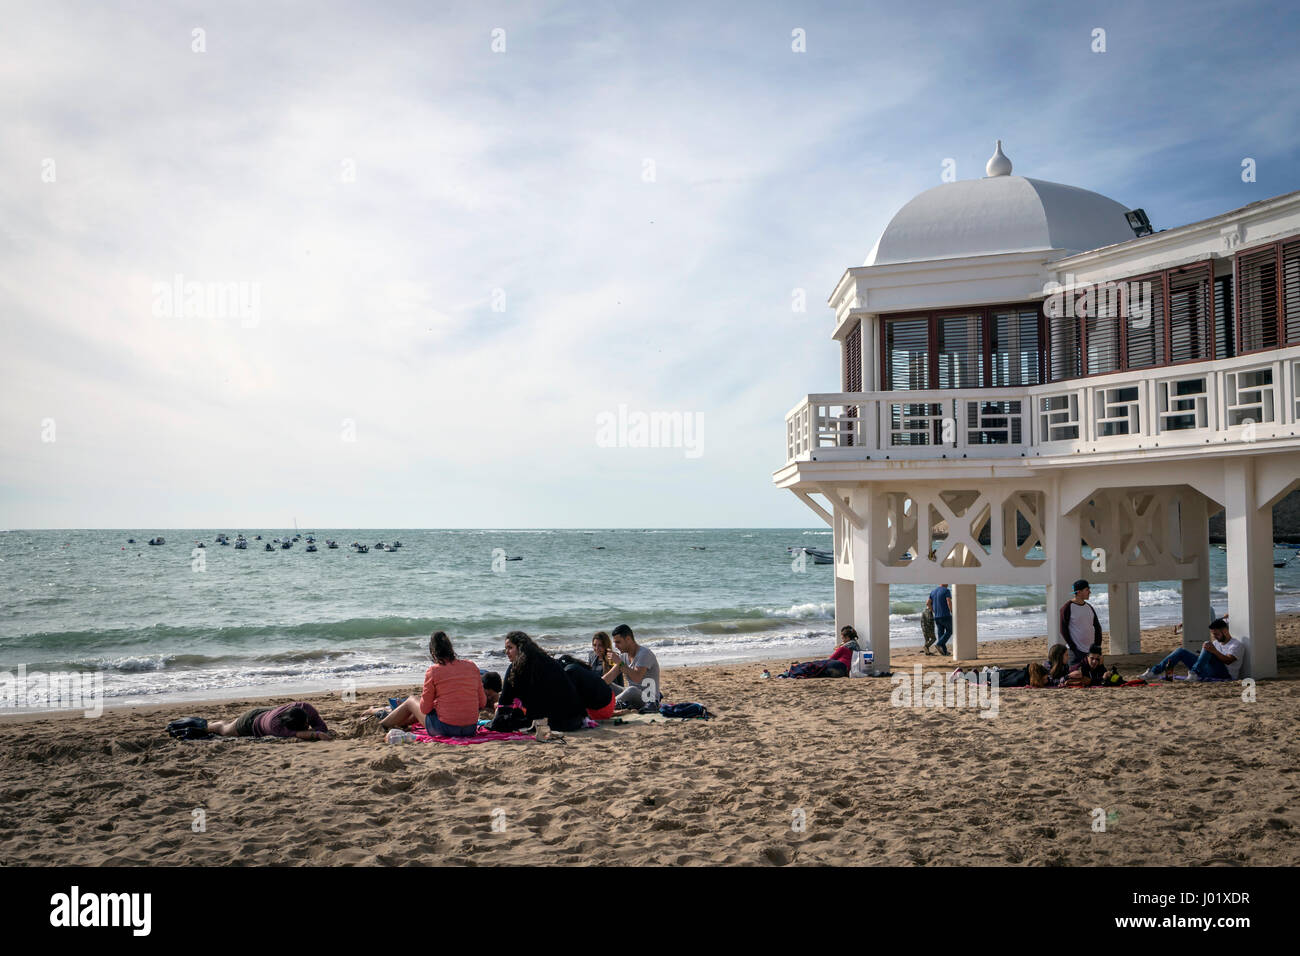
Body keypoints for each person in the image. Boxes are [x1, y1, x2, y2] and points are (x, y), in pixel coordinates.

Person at [381, 631, 485, 738]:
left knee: (411, 701)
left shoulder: (434, 671)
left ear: (433, 652)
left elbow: (425, 709)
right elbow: (482, 703)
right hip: (470, 729)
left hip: (445, 729)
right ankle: (397, 723)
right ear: (451, 648)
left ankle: (383, 725)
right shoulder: (472, 666)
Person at [501, 630, 587, 732]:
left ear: (520, 648)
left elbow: (505, 701)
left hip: (554, 722)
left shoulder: (517, 667)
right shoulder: (547, 660)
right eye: (506, 648)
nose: (506, 652)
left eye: (510, 648)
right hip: (575, 719)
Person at [1138, 619, 1245, 682]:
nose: (1215, 637)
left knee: (1207, 644)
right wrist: (1204, 655)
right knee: (1181, 651)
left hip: (1225, 674)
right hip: (1209, 670)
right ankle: (1154, 672)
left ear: (1225, 631)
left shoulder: (1236, 644)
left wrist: (1213, 651)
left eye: (1217, 634)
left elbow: (1228, 661)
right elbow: (1210, 658)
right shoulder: (1216, 643)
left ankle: (1194, 672)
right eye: (1213, 634)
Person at [602, 623, 661, 710]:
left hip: (649, 700)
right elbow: (609, 677)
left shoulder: (644, 654)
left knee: (631, 690)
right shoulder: (623, 656)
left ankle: (606, 708)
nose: (615, 646)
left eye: (618, 642)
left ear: (628, 639)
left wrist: (619, 662)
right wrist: (593, 684)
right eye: (615, 643)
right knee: (607, 685)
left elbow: (637, 677)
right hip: (632, 696)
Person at [204, 702, 332, 740]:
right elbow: (300, 734)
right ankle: (207, 725)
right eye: (304, 725)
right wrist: (317, 733)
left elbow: (321, 726)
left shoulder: (306, 708)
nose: (307, 725)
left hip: (271, 711)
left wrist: (320, 730)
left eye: (307, 722)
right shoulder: (277, 728)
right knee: (224, 730)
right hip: (251, 722)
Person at [1059, 579, 1102, 666]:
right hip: (1076, 652)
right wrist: (1072, 646)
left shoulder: (1089, 607)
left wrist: (1097, 646)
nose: (1090, 592)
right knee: (1075, 676)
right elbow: (1063, 629)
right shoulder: (1067, 607)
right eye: (1087, 590)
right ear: (1079, 592)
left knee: (1091, 677)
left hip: (1091, 652)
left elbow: (1097, 627)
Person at [928, 583, 953, 655]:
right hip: (945, 615)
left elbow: (928, 603)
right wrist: (952, 611)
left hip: (937, 616)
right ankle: (939, 644)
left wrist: (934, 611)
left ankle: (944, 652)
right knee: (950, 630)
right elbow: (948, 601)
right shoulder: (946, 590)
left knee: (941, 634)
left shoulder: (933, 591)